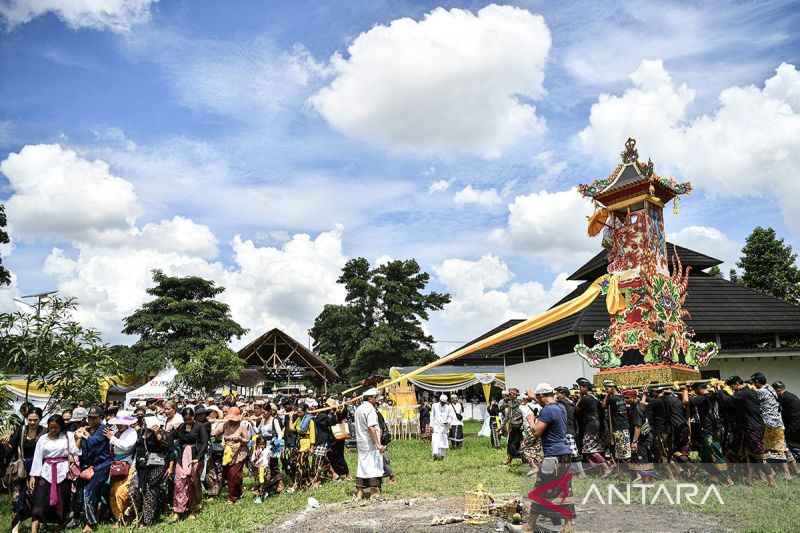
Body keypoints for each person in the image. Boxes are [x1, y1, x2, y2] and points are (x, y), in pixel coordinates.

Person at [524, 383, 574, 533]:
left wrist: (531, 419)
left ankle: (529, 525)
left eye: (537, 397)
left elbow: (536, 431)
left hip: (553, 455)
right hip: (566, 453)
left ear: (541, 396)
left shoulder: (547, 410)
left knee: (540, 490)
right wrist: (534, 397)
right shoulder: (560, 407)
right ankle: (568, 526)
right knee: (565, 489)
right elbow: (545, 399)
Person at [719, 375, 776, 487]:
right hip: (749, 428)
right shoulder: (748, 391)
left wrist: (721, 390)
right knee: (748, 454)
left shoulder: (743, 393)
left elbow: (726, 401)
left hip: (752, 428)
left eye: (732, 387)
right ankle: (749, 480)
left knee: (759, 456)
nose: (732, 389)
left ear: (736, 384)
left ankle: (771, 480)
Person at [28, 414, 78, 533]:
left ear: (61, 426)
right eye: (51, 427)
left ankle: (58, 527)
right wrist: (33, 476)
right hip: (46, 472)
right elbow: (37, 457)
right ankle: (34, 529)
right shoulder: (43, 438)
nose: (54, 430)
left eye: (56, 427)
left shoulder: (68, 436)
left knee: (62, 501)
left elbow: (75, 451)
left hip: (63, 472)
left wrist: (79, 438)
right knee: (39, 500)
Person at [682, 381, 732, 485]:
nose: (695, 393)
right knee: (706, 456)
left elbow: (686, 401)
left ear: (699, 389)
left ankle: (727, 478)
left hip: (711, 431)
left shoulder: (702, 397)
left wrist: (686, 388)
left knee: (716, 455)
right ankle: (714, 477)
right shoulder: (715, 395)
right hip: (718, 429)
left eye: (695, 391)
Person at [4, 407, 44, 533]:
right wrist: (5, 444)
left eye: (35, 420)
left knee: (36, 499)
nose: (32, 422)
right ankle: (15, 528)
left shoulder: (45, 432)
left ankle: (36, 527)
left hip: (39, 470)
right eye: (29, 419)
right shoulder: (21, 430)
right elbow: (11, 448)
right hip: (22, 470)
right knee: (17, 498)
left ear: (40, 419)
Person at [74, 406, 110, 532]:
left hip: (100, 466)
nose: (91, 420)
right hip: (86, 466)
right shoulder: (85, 429)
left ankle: (91, 523)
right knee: (80, 492)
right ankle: (77, 517)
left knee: (90, 492)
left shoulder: (103, 429)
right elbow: (78, 448)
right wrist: (78, 436)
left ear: (101, 418)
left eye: (94, 418)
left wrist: (86, 435)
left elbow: (95, 443)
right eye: (89, 417)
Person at [751, 372, 792, 480]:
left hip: (769, 424)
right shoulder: (771, 389)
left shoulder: (761, 391)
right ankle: (785, 473)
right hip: (778, 423)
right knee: (779, 448)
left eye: (753, 383)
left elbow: (752, 399)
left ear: (757, 382)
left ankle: (774, 473)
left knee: (767, 449)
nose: (753, 385)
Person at [134, 416, 173, 526]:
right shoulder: (140, 432)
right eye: (145, 423)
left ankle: (147, 520)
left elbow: (166, 448)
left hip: (156, 466)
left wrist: (157, 434)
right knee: (141, 491)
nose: (146, 425)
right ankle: (141, 517)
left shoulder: (161, 433)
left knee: (151, 491)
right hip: (142, 466)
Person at [171, 407, 207, 521]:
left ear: (193, 416)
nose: (187, 421)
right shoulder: (181, 426)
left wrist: (198, 457)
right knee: (179, 483)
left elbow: (204, 442)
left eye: (189, 419)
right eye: (185, 419)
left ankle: (193, 509)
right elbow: (173, 435)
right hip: (182, 457)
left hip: (194, 457)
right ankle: (177, 510)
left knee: (193, 483)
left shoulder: (200, 427)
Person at [574, 378, 611, 476]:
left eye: (580, 388)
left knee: (589, 449)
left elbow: (576, 409)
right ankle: (603, 470)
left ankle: (606, 468)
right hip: (598, 425)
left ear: (585, 388)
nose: (579, 390)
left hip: (591, 425)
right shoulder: (595, 397)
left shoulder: (587, 398)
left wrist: (580, 396)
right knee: (597, 449)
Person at [106, 415, 138, 526]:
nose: (119, 425)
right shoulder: (114, 431)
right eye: (118, 423)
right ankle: (118, 518)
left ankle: (127, 514)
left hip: (128, 465)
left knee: (122, 492)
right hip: (114, 465)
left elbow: (127, 446)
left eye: (122, 423)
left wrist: (112, 438)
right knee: (112, 493)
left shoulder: (132, 432)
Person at [212, 406, 248, 503]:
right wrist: (211, 431)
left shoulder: (242, 425)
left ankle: (232, 497)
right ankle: (239, 490)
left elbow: (247, 440)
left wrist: (240, 439)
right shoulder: (225, 424)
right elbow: (216, 432)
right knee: (229, 474)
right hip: (228, 452)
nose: (232, 421)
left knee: (233, 473)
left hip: (240, 452)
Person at [354, 388, 384, 500]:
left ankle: (359, 493)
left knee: (361, 468)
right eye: (375, 397)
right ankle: (373, 493)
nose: (376, 399)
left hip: (361, 442)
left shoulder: (359, 409)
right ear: (370, 398)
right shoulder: (370, 409)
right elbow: (371, 427)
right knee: (372, 467)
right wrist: (377, 443)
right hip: (369, 443)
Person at [624, 389, 655, 482]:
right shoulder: (638, 405)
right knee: (647, 461)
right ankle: (650, 482)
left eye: (627, 398)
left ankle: (646, 485)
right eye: (624, 398)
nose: (625, 400)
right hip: (646, 438)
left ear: (633, 397)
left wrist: (634, 442)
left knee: (642, 463)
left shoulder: (637, 408)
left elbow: (637, 427)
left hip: (642, 440)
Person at [603, 380, 631, 478]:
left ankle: (635, 473)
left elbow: (603, 405)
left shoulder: (612, 398)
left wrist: (606, 394)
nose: (606, 390)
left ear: (612, 388)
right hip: (625, 428)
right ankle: (621, 474)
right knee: (622, 453)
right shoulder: (622, 397)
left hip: (619, 429)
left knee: (624, 454)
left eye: (607, 388)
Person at [258, 402, 284, 494]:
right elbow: (258, 430)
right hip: (264, 445)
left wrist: (276, 443)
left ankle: (279, 484)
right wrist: (249, 423)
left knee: (273, 465)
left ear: (269, 411)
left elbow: (280, 433)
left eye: (264, 412)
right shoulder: (262, 420)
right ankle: (268, 484)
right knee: (264, 466)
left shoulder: (274, 420)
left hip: (272, 445)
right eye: (262, 412)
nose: (263, 414)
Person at [774, 381, 800, 471]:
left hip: (794, 424)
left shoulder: (783, 397)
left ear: (777, 390)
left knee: (786, 443)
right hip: (796, 422)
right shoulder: (791, 395)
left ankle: (792, 466)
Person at [203, 405, 225, 497]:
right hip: (208, 449)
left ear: (216, 413)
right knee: (208, 471)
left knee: (218, 469)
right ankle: (211, 489)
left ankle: (217, 490)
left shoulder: (219, 423)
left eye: (211, 411)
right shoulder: (207, 423)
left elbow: (214, 434)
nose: (209, 414)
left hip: (217, 448)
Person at [328, 400, 351, 481]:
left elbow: (343, 415)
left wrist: (345, 407)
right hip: (331, 439)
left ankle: (347, 474)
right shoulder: (326, 414)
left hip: (339, 438)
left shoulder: (337, 414)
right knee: (332, 456)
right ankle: (338, 472)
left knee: (340, 456)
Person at [502, 388, 525, 467]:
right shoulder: (510, 403)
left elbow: (524, 412)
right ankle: (509, 460)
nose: (509, 395)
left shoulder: (520, 402)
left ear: (515, 395)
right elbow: (508, 415)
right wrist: (502, 425)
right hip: (512, 426)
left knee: (518, 444)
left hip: (519, 427)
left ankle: (523, 460)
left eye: (510, 394)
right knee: (511, 444)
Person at [431, 394, 456, 460]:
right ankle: (435, 454)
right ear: (439, 400)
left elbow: (451, 416)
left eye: (444, 403)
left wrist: (448, 421)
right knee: (435, 440)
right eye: (442, 402)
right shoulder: (434, 406)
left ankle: (442, 455)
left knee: (443, 441)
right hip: (436, 426)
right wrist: (431, 426)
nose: (443, 404)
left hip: (444, 427)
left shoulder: (448, 407)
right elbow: (432, 416)